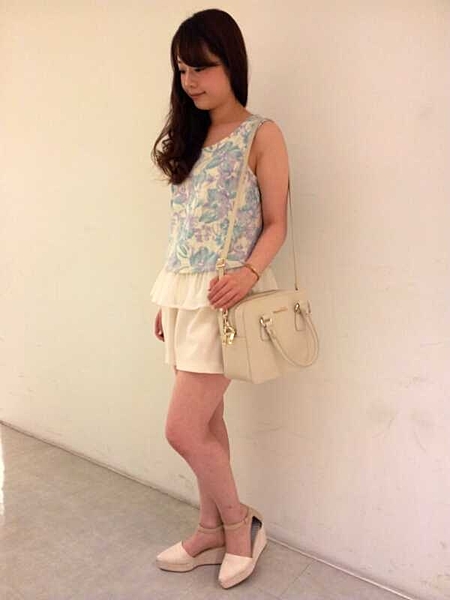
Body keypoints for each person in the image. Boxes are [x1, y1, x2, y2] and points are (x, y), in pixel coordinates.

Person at [149, 8, 289, 589]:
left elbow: (277, 223)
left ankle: (240, 524)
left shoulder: (262, 135)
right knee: (208, 420)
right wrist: (168, 298)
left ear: (231, 64)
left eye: (202, 68)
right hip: (183, 293)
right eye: (183, 70)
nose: (191, 81)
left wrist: (248, 274)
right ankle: (209, 529)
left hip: (228, 299)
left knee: (181, 429)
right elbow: (185, 229)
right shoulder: (190, 137)